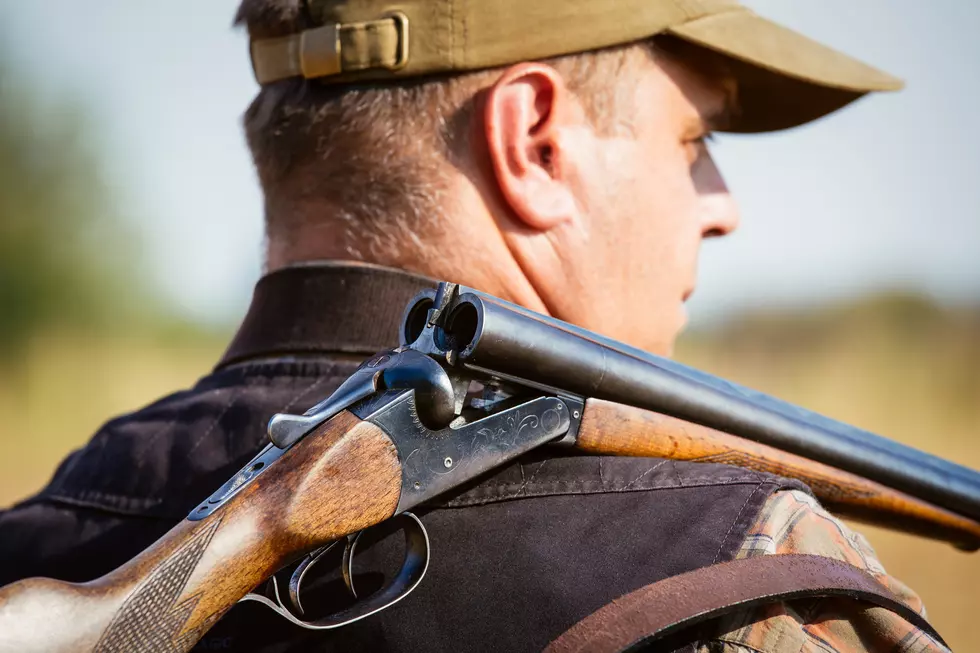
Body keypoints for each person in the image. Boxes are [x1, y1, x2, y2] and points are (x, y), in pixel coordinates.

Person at [0, 0, 951, 651]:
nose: (723, 203)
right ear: (533, 142)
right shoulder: (754, 562)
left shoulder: (43, 530)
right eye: (694, 141)